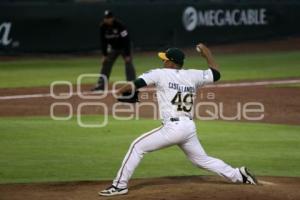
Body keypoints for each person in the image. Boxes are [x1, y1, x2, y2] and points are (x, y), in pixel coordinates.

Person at [99, 43, 257, 196]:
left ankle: (119, 186)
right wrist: (206, 52)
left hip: (173, 128)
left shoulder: (160, 73)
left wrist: (118, 92)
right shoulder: (193, 75)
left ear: (171, 62)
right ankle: (238, 174)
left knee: (137, 147)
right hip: (188, 127)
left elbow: (136, 83)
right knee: (201, 160)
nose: (163, 61)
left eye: (165, 59)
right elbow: (216, 74)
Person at [92, 10, 136, 91]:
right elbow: (103, 42)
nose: (107, 20)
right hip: (114, 48)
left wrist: (127, 55)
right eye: (106, 18)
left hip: (124, 47)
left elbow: (126, 40)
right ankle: (101, 86)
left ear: (112, 18)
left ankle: (131, 85)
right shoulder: (103, 27)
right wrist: (104, 55)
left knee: (128, 63)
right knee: (106, 63)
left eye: (109, 18)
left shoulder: (120, 25)